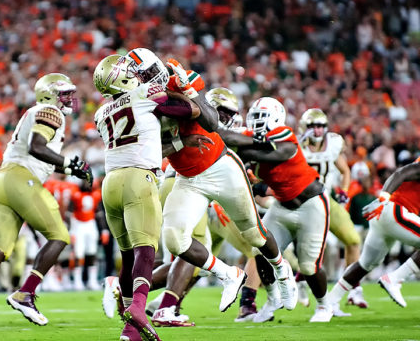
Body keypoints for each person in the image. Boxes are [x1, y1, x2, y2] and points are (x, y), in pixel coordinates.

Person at [151, 81, 297, 327]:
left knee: (254, 234)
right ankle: (228, 274)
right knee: (175, 239)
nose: (226, 117)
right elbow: (152, 152)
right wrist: (179, 142)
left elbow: (216, 127)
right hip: (188, 179)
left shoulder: (190, 102)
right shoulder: (147, 113)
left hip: (222, 169)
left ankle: (283, 272)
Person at [0, 73, 92, 332]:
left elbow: (39, 154)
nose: (68, 99)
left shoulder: (37, 111)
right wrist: (68, 163)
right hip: (21, 180)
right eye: (63, 93)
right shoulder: (50, 111)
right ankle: (25, 294)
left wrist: (70, 168)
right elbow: (37, 147)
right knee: (59, 236)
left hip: (2, 180)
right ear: (49, 94)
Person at [93, 50, 210, 340]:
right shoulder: (144, 92)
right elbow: (191, 111)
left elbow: (142, 139)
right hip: (138, 178)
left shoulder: (100, 113)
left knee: (127, 255)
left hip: (110, 183)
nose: (134, 72)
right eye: (129, 70)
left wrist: (180, 142)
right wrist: (184, 89)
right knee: (146, 251)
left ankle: (129, 329)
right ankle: (138, 308)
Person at [232, 98, 331, 323]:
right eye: (254, 118)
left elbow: (278, 155)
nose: (257, 123)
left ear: (276, 117)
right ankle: (273, 298)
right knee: (260, 252)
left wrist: (244, 149)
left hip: (311, 204)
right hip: (281, 207)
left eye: (262, 117)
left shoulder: (284, 133)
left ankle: (325, 305)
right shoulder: (250, 141)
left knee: (308, 265)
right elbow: (262, 183)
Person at [326, 158, 420, 318]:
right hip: (394, 210)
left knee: (365, 264)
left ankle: (329, 302)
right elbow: (401, 173)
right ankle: (395, 278)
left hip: (384, 215)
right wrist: (384, 197)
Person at [298, 108, 366, 308]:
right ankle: (297, 280)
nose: (317, 131)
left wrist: (344, 190)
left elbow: (344, 170)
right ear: (305, 127)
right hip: (299, 202)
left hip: (326, 199)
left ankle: (353, 288)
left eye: (320, 126)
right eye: (312, 126)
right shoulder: (295, 146)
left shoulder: (333, 144)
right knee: (307, 251)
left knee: (353, 240)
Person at [67, 180, 102, 291]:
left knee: (92, 252)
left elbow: (99, 214)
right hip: (78, 225)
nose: (87, 184)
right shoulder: (75, 194)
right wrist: (71, 230)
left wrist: (104, 230)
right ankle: (78, 281)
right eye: (85, 182)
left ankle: (92, 280)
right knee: (78, 253)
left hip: (91, 225)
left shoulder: (96, 195)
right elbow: (69, 213)